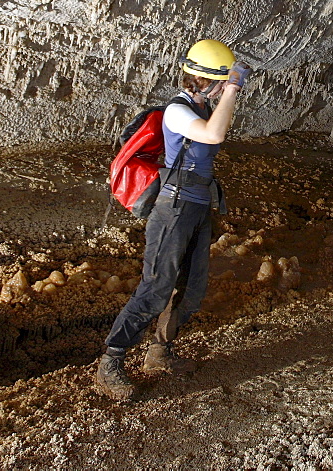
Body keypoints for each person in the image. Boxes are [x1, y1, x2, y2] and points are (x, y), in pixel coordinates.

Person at [95, 39, 252, 400]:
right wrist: (234, 90)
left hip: (197, 208)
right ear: (210, 80)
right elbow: (214, 134)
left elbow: (212, 131)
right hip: (173, 208)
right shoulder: (176, 111)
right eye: (222, 81)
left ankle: (159, 353)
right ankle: (111, 362)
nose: (226, 87)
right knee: (155, 289)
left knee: (190, 291)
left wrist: (224, 93)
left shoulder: (201, 107)